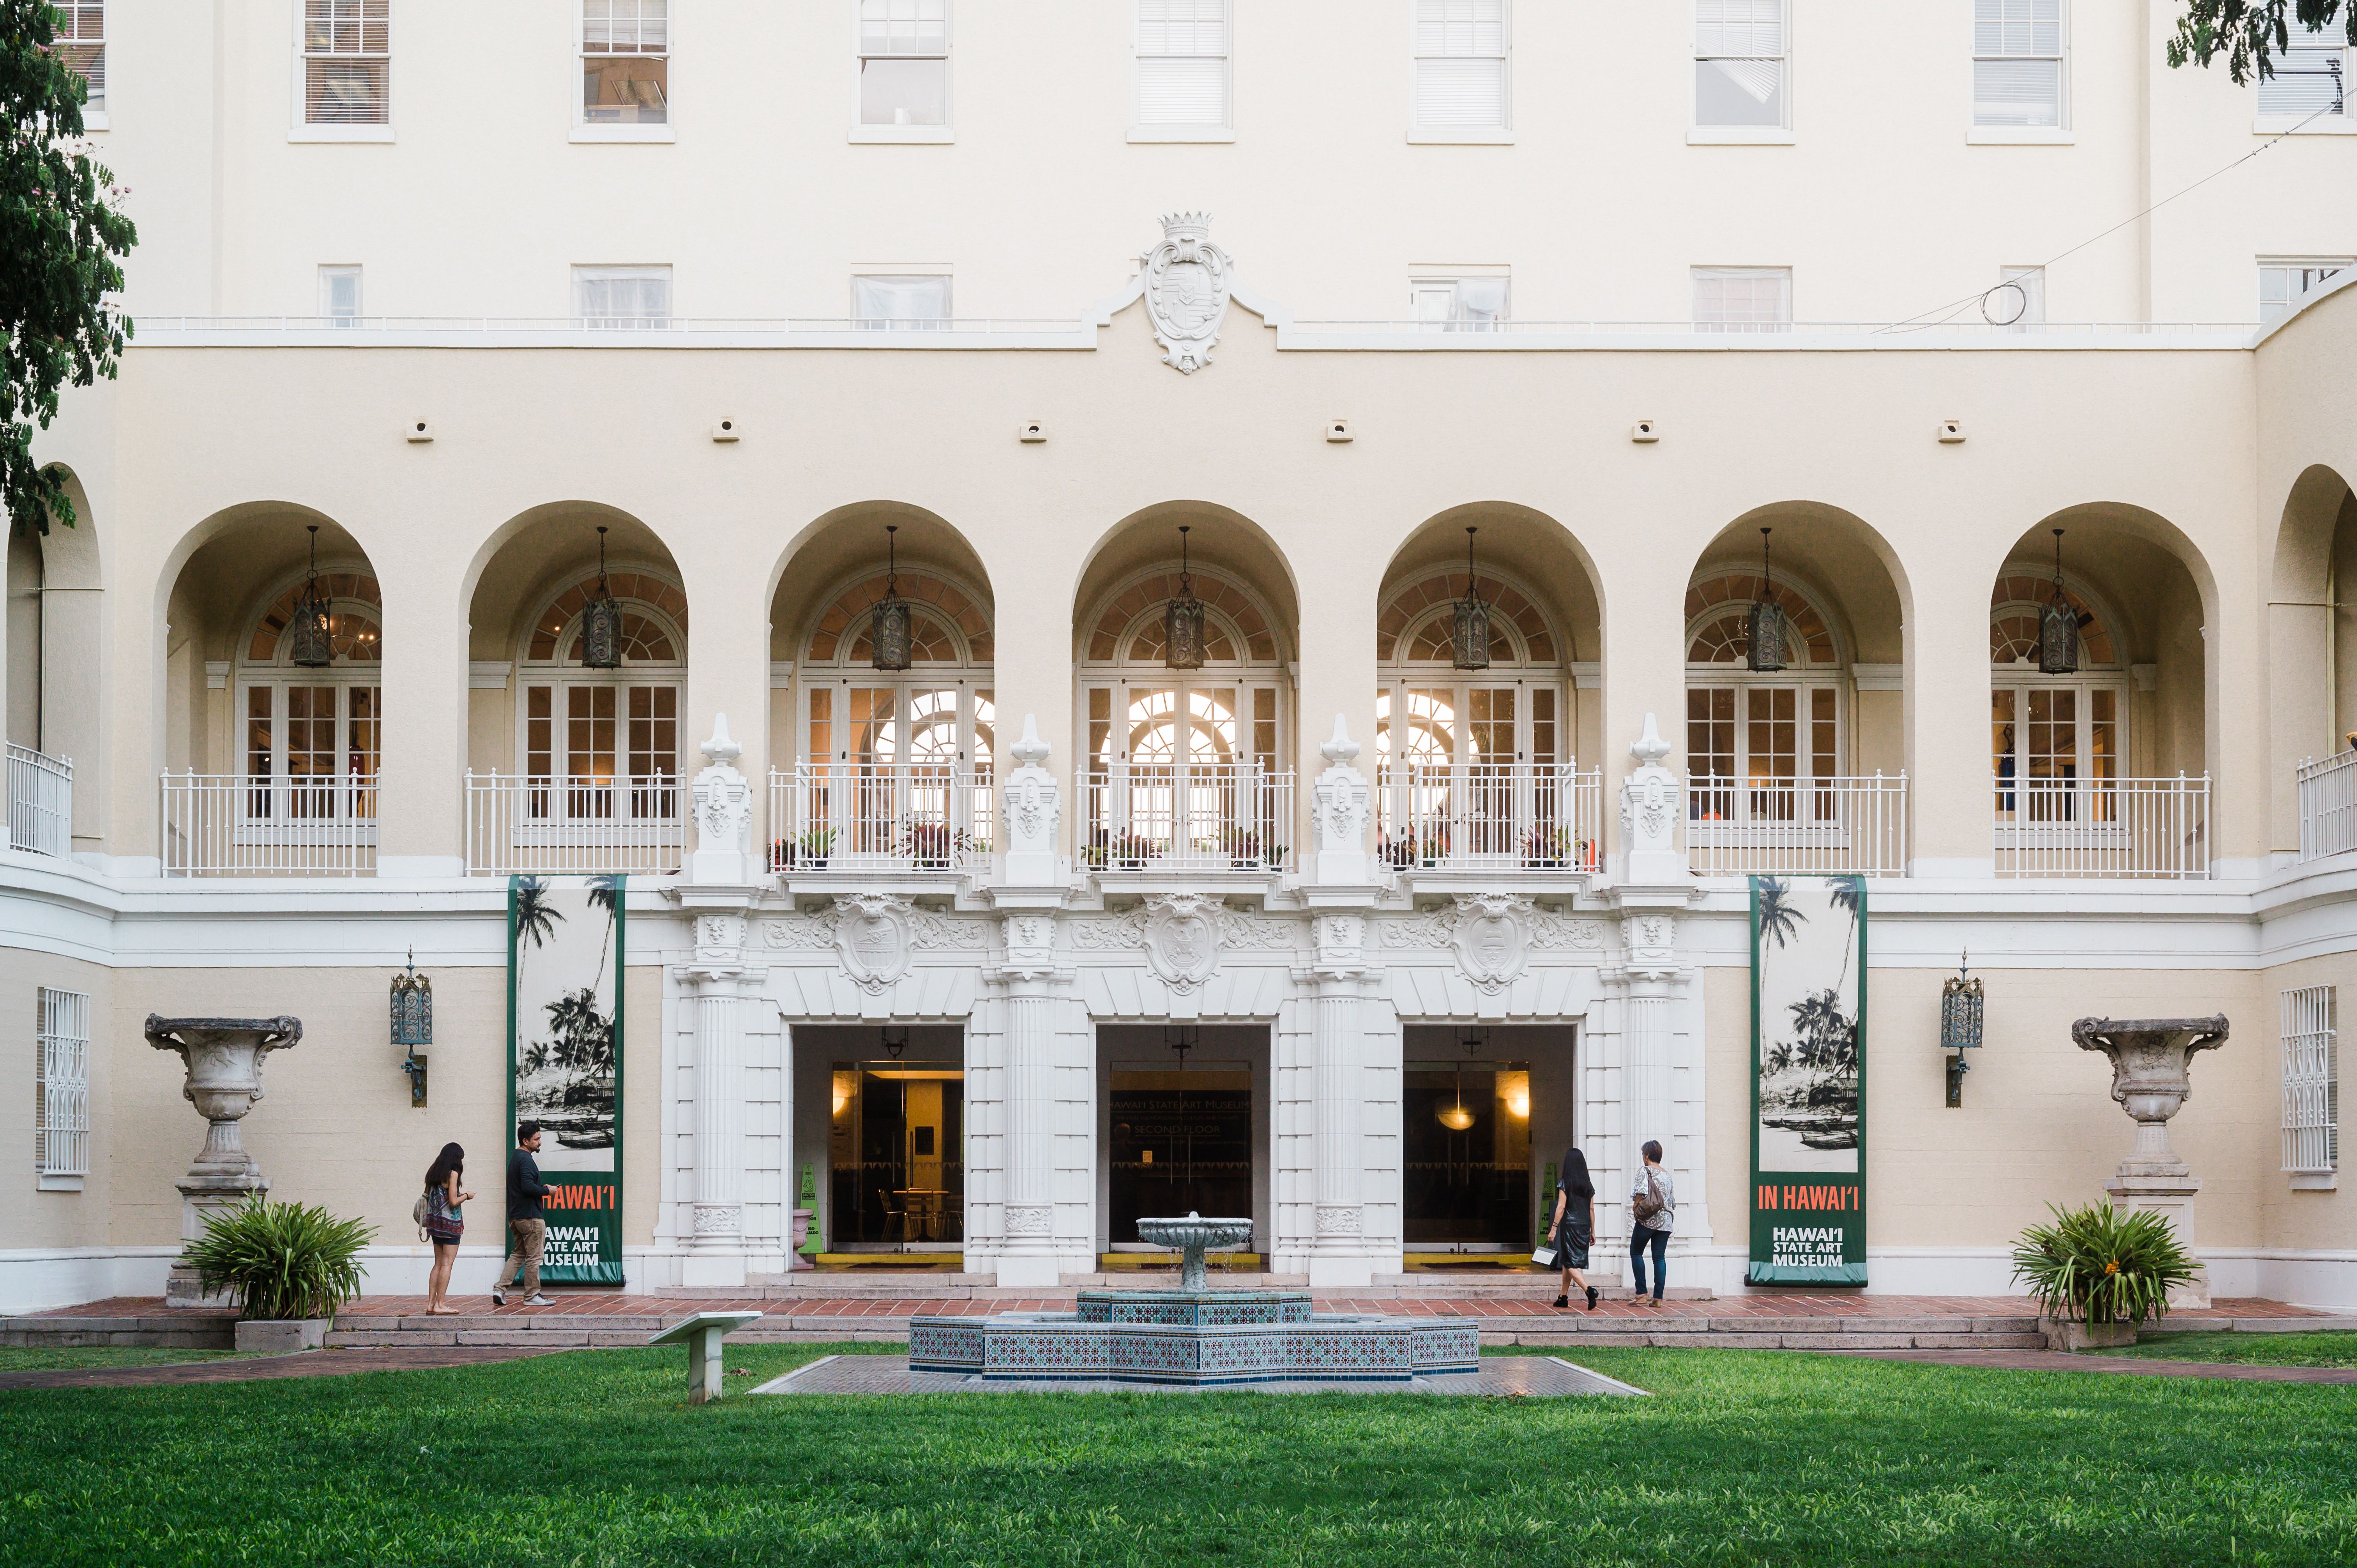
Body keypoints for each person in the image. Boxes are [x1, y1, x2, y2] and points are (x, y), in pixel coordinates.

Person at [494, 1122, 554, 1308]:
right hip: (530, 1217)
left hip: (516, 1216)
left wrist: (541, 1188)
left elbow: (523, 1186)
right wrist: (547, 1192)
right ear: (525, 1141)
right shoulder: (526, 1159)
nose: (540, 1142)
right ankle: (532, 1295)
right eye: (537, 1139)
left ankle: (500, 1289)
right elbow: (528, 1187)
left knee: (518, 1254)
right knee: (535, 1257)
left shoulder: (516, 1158)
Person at [421, 1142, 473, 1315]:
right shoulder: (453, 1174)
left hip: (435, 1223)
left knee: (437, 1263)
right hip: (450, 1225)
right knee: (447, 1264)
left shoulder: (433, 1172)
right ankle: (440, 1305)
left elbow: (428, 1197)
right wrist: (466, 1196)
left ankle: (430, 1304)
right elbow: (453, 1201)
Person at [1548, 1146, 1599, 1312]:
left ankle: (1588, 1289)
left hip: (1570, 1226)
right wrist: (1593, 1231)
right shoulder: (1588, 1185)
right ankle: (1563, 1297)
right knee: (1568, 1262)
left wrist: (1554, 1228)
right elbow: (1591, 1210)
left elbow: (1561, 1207)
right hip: (1584, 1226)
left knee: (1567, 1261)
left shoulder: (1565, 1182)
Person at [1629, 1139, 1676, 1307]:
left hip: (1648, 1220)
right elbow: (1672, 1201)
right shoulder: (1667, 1175)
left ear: (1647, 1155)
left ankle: (1641, 1293)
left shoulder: (1645, 1171)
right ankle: (1658, 1299)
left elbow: (1640, 1193)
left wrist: (1635, 1208)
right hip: (1666, 1222)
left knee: (1636, 1253)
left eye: (1643, 1154)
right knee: (1659, 1258)